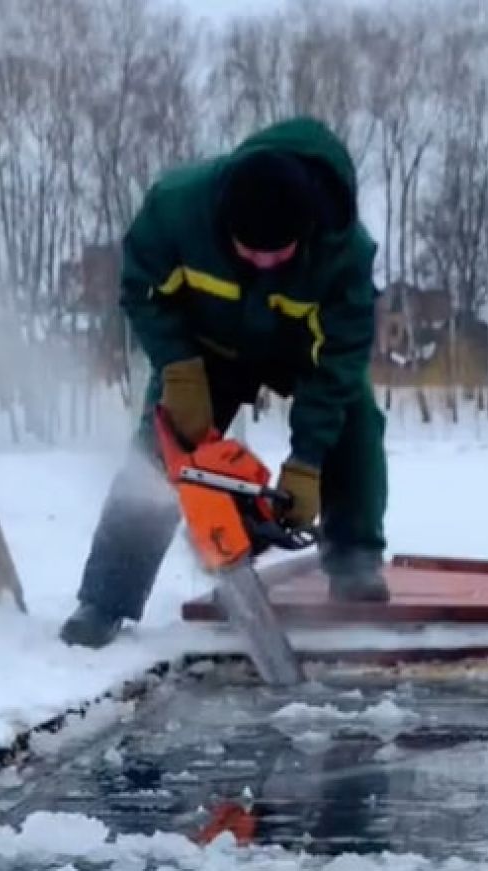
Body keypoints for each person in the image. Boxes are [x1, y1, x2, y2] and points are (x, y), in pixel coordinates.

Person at [60, 116, 390, 649]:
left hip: (296, 355)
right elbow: (142, 290)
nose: (261, 262)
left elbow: (337, 365)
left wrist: (306, 464)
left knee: (355, 418)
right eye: (248, 251)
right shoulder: (175, 209)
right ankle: (104, 598)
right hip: (204, 349)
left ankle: (355, 560)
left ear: (305, 231)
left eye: (276, 254)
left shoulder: (345, 255)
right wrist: (178, 367)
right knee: (158, 447)